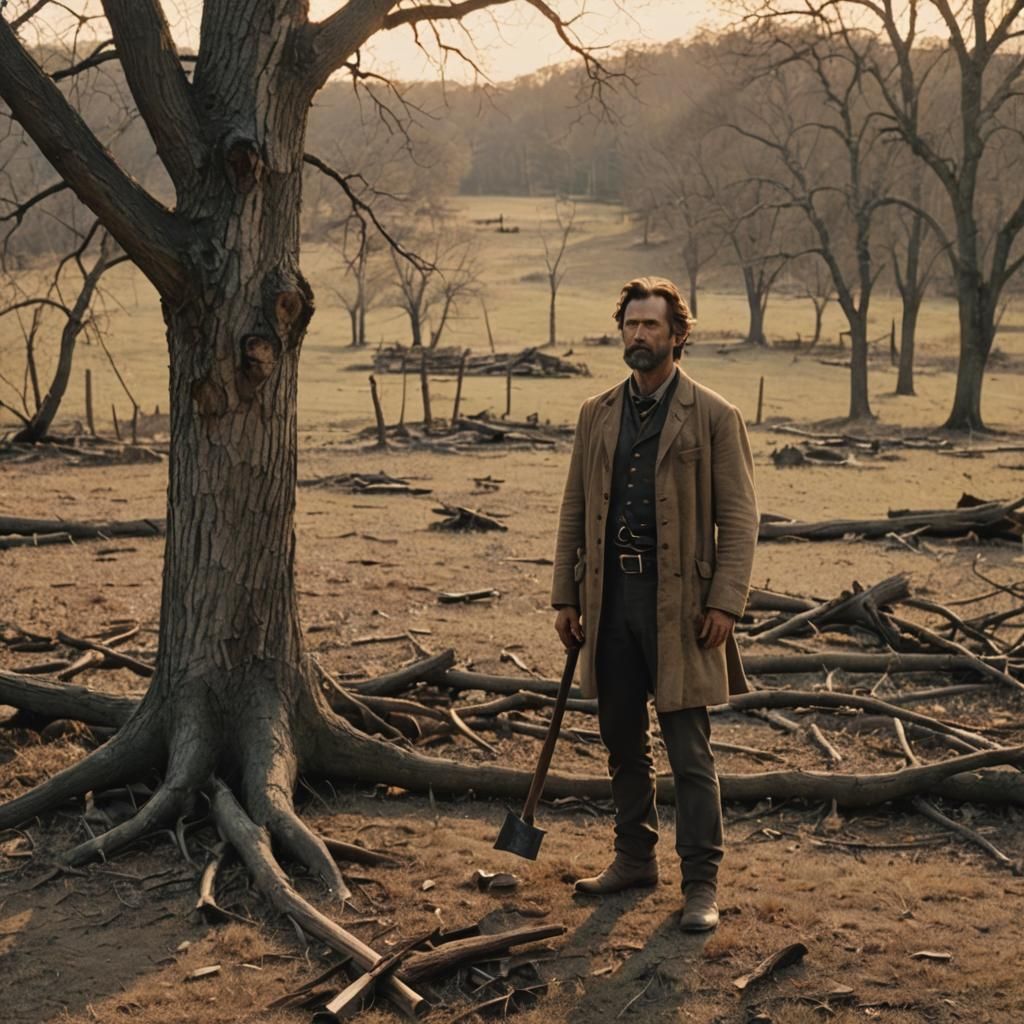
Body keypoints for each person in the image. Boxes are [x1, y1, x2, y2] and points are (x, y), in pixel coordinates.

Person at [551, 276, 758, 931]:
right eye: (631, 324)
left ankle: (701, 885)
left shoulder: (716, 415)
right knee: (621, 739)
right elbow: (574, 509)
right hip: (609, 599)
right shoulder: (597, 413)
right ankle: (634, 858)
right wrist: (566, 596)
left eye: (651, 326)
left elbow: (741, 517)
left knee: (690, 752)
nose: (639, 335)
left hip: (682, 608)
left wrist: (725, 601)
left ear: (677, 335)